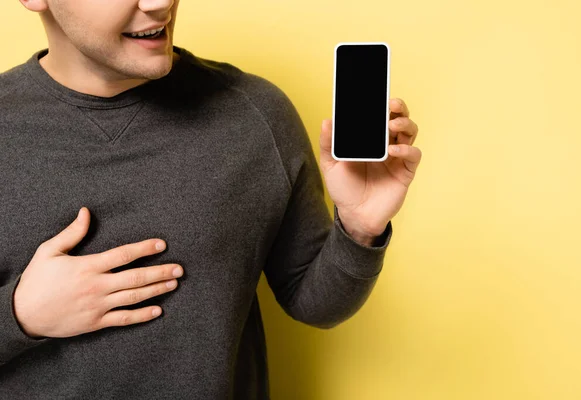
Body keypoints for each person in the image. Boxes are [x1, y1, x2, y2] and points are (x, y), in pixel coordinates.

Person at [0, 0, 421, 399]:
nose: (159, 3)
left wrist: (360, 230)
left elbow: (312, 303)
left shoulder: (256, 114)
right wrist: (20, 315)